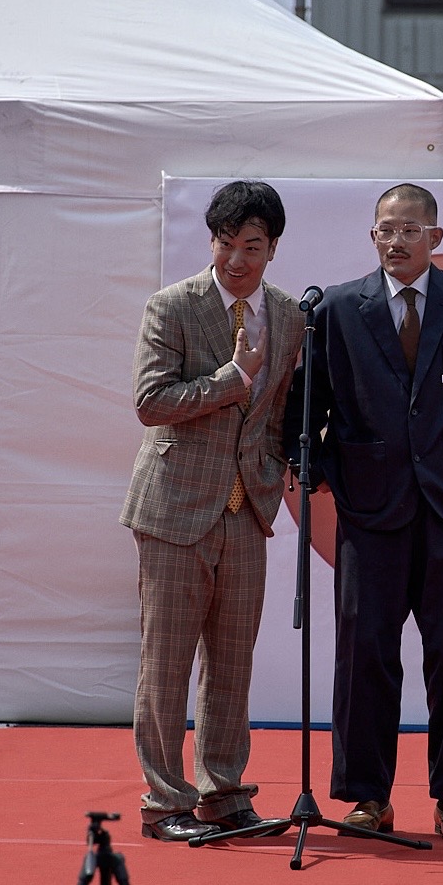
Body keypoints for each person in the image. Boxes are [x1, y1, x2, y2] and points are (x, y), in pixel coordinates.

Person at [285, 183, 443, 842]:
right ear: (371, 237)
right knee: (364, 651)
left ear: (435, 237)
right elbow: (303, 404)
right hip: (368, 508)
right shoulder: (339, 307)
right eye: (383, 230)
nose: (393, 241)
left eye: (406, 230)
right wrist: (314, 467)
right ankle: (366, 796)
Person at [120, 180, 305, 841]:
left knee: (231, 664)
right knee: (166, 662)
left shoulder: (286, 315)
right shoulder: (171, 306)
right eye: (225, 244)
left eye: (250, 246)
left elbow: (280, 412)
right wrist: (232, 378)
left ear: (273, 247)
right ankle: (163, 800)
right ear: (212, 242)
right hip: (173, 509)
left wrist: (279, 472)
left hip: (245, 510)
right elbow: (149, 402)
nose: (236, 260)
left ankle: (223, 793)